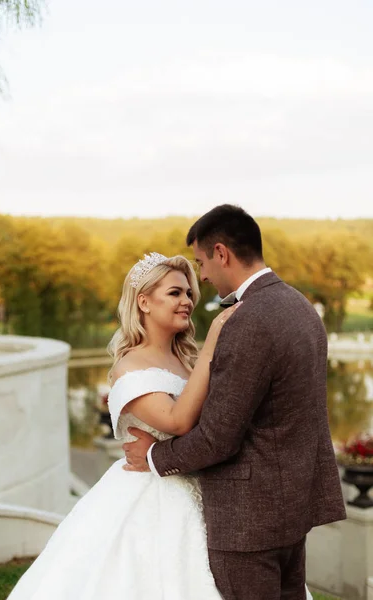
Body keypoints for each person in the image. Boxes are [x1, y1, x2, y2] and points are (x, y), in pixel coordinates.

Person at [123, 205, 346, 600]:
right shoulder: (301, 308)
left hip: (248, 521)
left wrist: (154, 456)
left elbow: (217, 438)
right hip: (292, 510)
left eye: (201, 263)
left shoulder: (247, 320)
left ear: (222, 253)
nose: (202, 278)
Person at [6, 253, 239, 600]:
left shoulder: (184, 359)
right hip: (151, 498)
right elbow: (178, 421)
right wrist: (214, 342)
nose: (187, 301)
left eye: (189, 293)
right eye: (175, 293)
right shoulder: (130, 366)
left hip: (198, 489)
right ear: (144, 301)